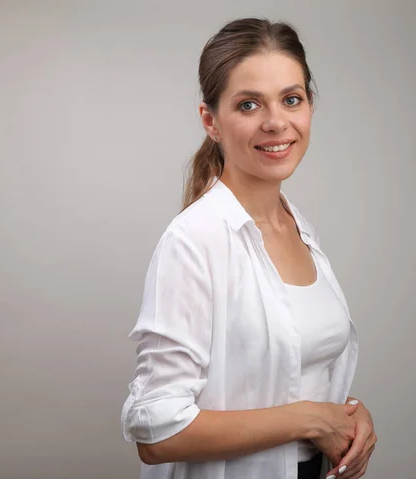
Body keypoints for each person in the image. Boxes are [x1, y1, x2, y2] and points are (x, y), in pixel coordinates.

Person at [121, 17, 377, 479]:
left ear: (310, 107)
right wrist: (310, 419)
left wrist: (349, 414)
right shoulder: (194, 241)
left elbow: (294, 369)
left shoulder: (299, 228)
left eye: (291, 99)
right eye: (248, 104)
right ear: (211, 121)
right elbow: (155, 432)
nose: (276, 121)